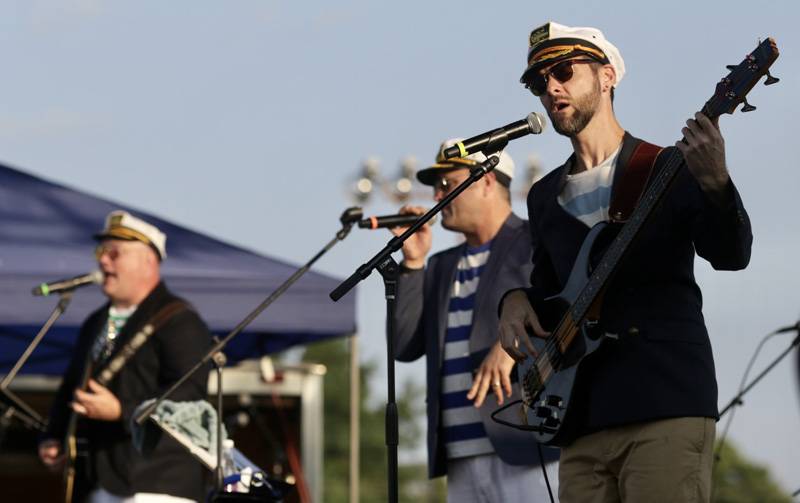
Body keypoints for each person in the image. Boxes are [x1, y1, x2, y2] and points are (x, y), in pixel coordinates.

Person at [498, 22, 753, 503]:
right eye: (538, 82)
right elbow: (555, 293)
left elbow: (731, 255)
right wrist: (513, 300)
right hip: (581, 416)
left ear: (607, 75)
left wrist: (717, 184)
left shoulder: (665, 167)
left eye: (564, 71)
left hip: (663, 400)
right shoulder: (543, 196)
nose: (551, 87)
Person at [392, 140, 558, 502]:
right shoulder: (440, 265)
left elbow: (564, 310)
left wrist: (510, 345)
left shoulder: (535, 243)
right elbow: (404, 346)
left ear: (485, 182)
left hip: (523, 445)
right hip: (459, 454)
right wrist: (414, 264)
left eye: (447, 185)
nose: (437, 195)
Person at [38, 210, 212, 503]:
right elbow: (71, 387)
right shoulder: (95, 322)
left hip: (157, 484)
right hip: (98, 481)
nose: (103, 260)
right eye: (101, 251)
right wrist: (54, 436)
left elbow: (189, 394)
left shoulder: (179, 320)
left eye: (114, 252)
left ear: (148, 261)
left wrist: (123, 411)